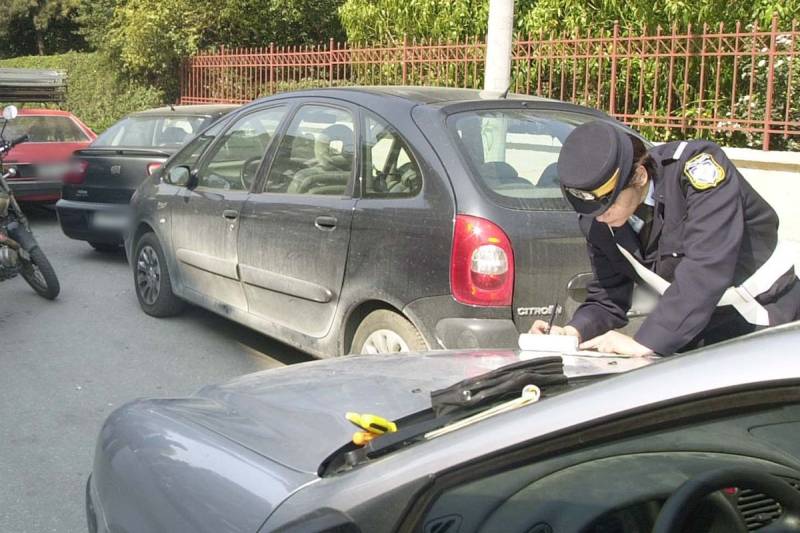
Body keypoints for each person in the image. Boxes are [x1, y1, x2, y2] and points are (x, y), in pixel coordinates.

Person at [530, 120, 800, 356]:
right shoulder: (598, 220)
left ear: (639, 175)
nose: (601, 217)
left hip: (767, 315)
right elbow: (609, 295)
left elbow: (707, 264)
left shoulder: (695, 172)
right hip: (692, 328)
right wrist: (573, 331)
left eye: (609, 204)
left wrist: (646, 342)